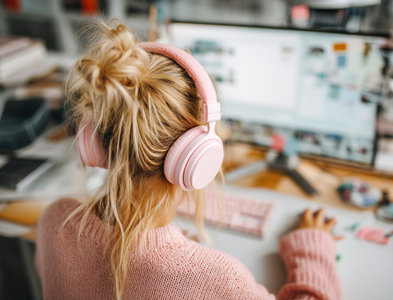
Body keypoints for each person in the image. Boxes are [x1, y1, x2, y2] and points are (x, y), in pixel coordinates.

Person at [35, 21, 341, 300]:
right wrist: (312, 247)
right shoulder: (219, 279)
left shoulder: (54, 223)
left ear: (95, 143)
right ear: (197, 156)